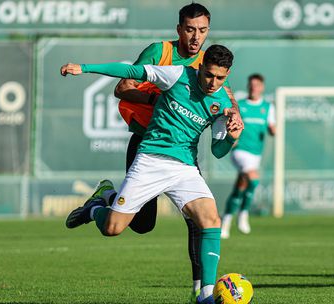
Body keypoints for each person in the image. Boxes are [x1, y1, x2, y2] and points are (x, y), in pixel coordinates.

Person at [74, 4, 242, 302]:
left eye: (202, 30)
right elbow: (126, 80)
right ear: (180, 29)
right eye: (190, 29)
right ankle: (100, 205)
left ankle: (202, 293)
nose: (196, 36)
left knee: (207, 220)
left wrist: (232, 134)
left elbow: (220, 143)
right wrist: (85, 68)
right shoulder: (173, 68)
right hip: (149, 152)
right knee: (128, 226)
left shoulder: (219, 88)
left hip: (184, 165)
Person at [220, 74, 275, 239]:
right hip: (240, 151)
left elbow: (273, 127)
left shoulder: (268, 107)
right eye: (251, 85)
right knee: (253, 178)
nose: (254, 88)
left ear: (262, 87)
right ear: (248, 86)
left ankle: (227, 219)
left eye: (257, 85)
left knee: (241, 187)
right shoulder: (241, 106)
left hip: (255, 154)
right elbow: (228, 122)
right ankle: (243, 213)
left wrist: (273, 130)